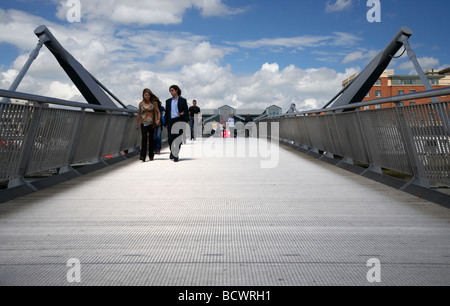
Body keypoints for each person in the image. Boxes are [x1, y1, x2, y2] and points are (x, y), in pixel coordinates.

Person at [165, 85, 189, 163]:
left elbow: (186, 111)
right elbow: (166, 113)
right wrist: (165, 123)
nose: (171, 92)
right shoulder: (168, 101)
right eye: (170, 91)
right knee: (170, 139)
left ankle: (176, 154)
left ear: (176, 90)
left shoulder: (183, 100)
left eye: (172, 90)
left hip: (179, 120)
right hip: (171, 121)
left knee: (178, 139)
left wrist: (183, 114)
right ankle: (172, 151)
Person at [136, 88, 161, 162]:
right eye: (145, 95)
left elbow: (158, 112)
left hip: (151, 124)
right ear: (143, 95)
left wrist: (158, 119)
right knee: (144, 139)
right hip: (143, 123)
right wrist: (137, 123)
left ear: (150, 96)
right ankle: (142, 156)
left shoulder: (153, 103)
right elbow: (138, 113)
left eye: (148, 95)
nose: (147, 96)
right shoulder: (140, 104)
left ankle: (151, 155)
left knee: (151, 139)